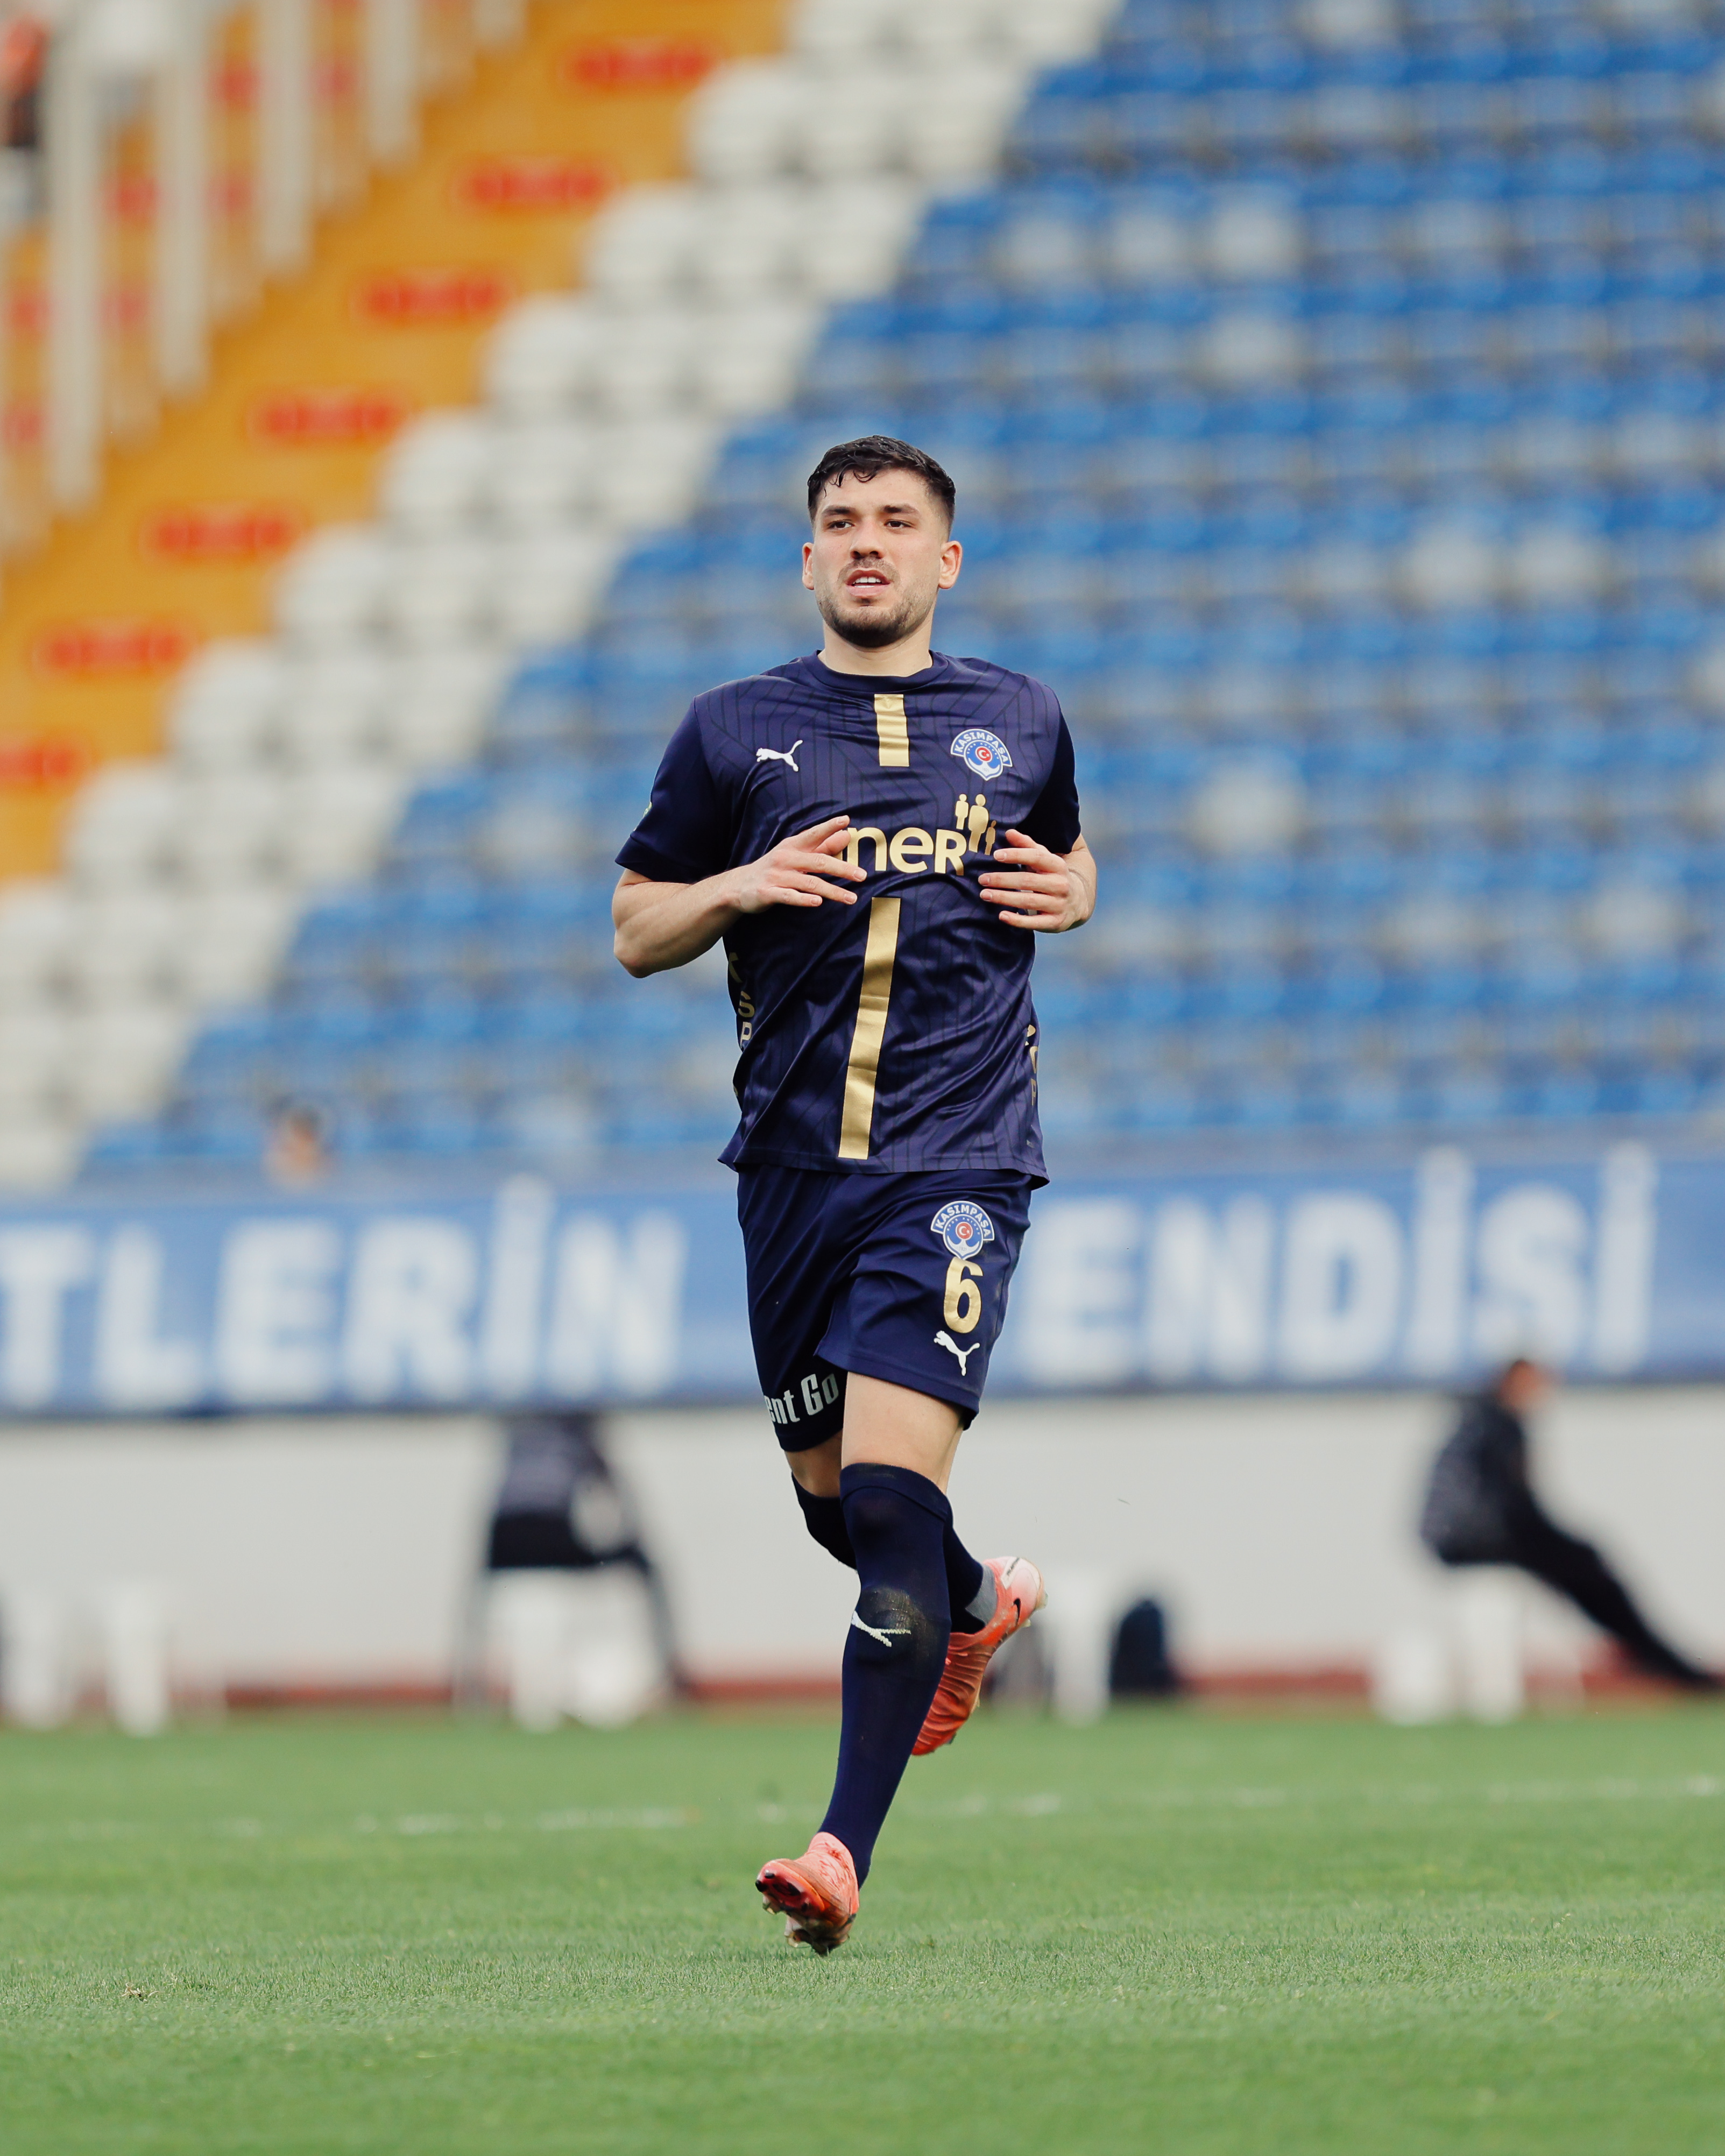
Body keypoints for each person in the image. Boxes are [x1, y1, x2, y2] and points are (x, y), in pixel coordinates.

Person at [612, 435, 1096, 1952]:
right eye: (840, 521)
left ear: (945, 558)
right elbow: (633, 926)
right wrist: (732, 889)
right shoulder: (729, 731)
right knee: (842, 1514)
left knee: (888, 1498)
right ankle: (975, 1602)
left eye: (896, 521)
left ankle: (838, 1849)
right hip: (788, 1173)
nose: (867, 540)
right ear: (807, 558)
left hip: (958, 1161)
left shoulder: (1020, 716)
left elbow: (1065, 853)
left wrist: (1081, 887)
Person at [1420, 1358, 1719, 1691]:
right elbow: (1514, 1505)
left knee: (1581, 1564)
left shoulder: (1473, 1421)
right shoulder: (1502, 1425)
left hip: (1459, 1538)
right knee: (1590, 1569)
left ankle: (1656, 1656)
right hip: (1483, 1538)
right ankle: (1661, 1661)